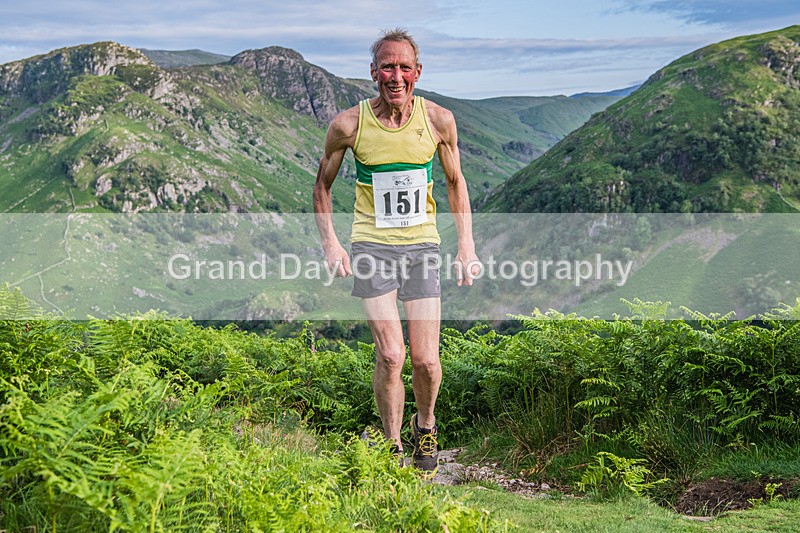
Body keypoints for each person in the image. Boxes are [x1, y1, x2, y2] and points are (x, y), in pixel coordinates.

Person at [313, 28, 479, 475]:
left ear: (418, 72)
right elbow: (322, 186)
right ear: (373, 73)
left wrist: (466, 245)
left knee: (426, 359)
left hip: (422, 246)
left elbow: (455, 182)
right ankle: (391, 447)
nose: (396, 75)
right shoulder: (348, 125)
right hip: (371, 246)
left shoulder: (439, 121)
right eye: (388, 66)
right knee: (391, 355)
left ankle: (425, 426)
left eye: (405, 67)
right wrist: (330, 243)